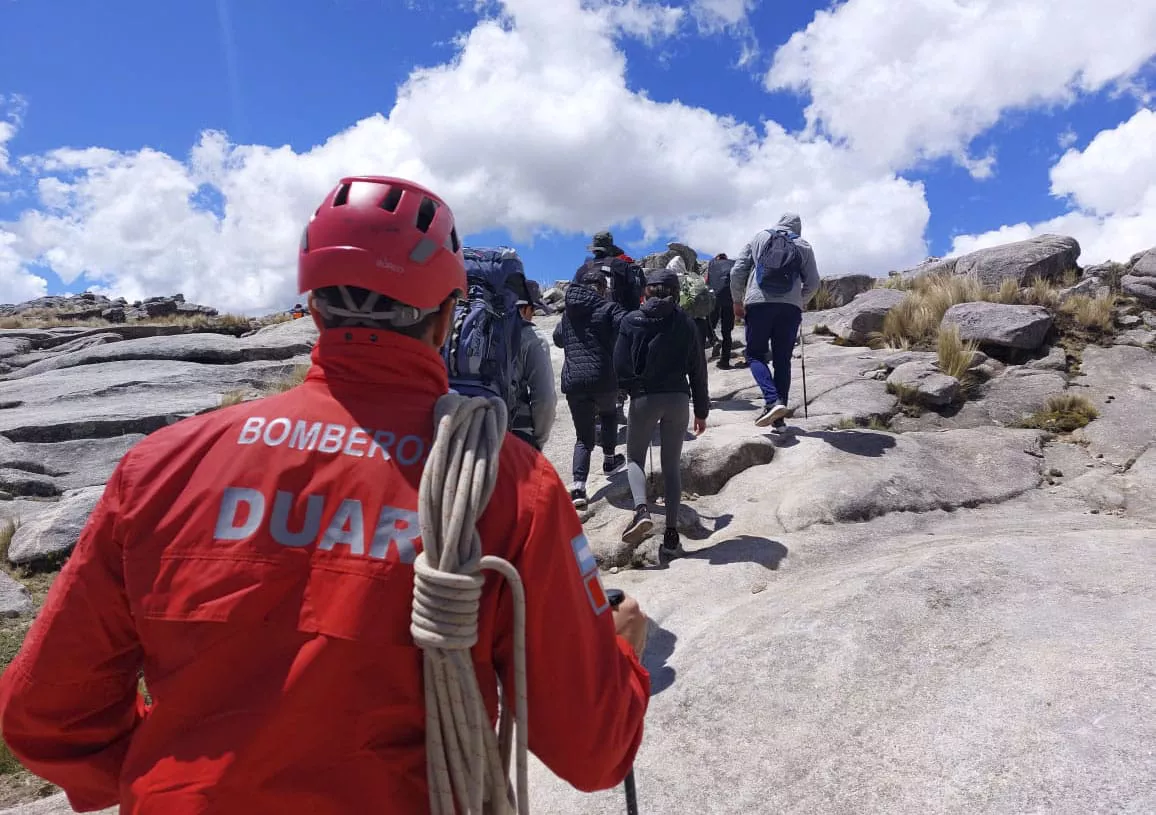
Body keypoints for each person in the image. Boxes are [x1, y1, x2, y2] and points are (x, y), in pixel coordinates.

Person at [0, 175, 651, 814]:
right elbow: (592, 748)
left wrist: (173, 771)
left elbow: (46, 712)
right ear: (447, 314)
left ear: (313, 306)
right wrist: (619, 652)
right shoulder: (513, 487)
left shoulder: (159, 467)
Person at [614, 266, 709, 560]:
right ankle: (670, 535)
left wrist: (631, 389)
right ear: (676, 293)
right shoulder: (686, 323)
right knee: (671, 466)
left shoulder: (631, 320)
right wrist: (702, 410)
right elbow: (698, 369)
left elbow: (619, 363)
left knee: (634, 458)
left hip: (644, 398)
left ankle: (642, 510)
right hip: (679, 399)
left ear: (646, 292)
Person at [730, 212, 820, 428]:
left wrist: (737, 301)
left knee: (754, 355)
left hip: (759, 303)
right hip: (789, 309)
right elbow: (814, 282)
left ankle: (772, 401)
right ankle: (778, 420)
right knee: (782, 360)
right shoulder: (803, 245)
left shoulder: (760, 237)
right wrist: (800, 300)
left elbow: (737, 272)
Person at [554, 268, 628, 510]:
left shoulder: (569, 312)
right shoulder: (607, 308)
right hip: (604, 378)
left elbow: (557, 338)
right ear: (601, 287)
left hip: (574, 381)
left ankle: (578, 487)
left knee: (583, 438)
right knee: (608, 415)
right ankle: (609, 460)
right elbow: (626, 327)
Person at [508, 291, 557, 451]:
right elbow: (545, 399)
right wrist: (538, 441)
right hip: (515, 433)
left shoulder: (481, 328)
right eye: (533, 311)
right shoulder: (532, 337)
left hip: (470, 428)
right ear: (525, 309)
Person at [707, 252, 736, 368]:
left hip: (715, 299)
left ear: (717, 258)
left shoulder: (712, 265)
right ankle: (725, 361)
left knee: (708, 324)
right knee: (727, 332)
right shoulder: (733, 264)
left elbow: (707, 282)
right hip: (730, 299)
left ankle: (713, 340)